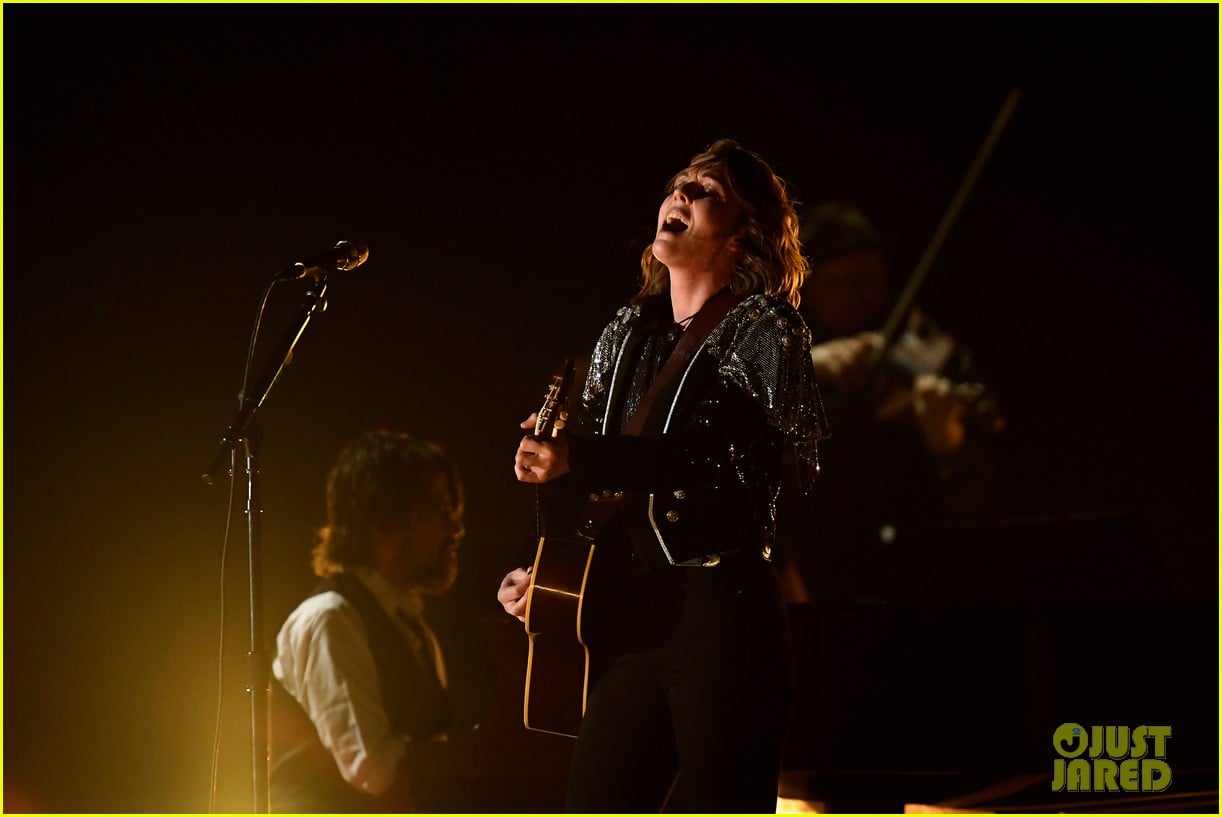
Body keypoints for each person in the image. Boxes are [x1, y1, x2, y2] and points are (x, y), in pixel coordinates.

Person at [497, 139, 828, 812]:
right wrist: (550, 568)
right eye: (678, 183)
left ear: (743, 234)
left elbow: (707, 452)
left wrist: (580, 457)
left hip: (722, 619)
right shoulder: (628, 331)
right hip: (630, 619)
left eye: (707, 191)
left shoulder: (765, 325)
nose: (681, 193)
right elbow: (592, 480)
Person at [778, 201, 998, 603]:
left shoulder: (937, 353)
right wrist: (808, 366)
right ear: (806, 291)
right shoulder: (789, 360)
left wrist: (949, 449)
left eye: (869, 277)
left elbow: (977, 506)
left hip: (922, 579)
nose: (859, 295)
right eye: (840, 283)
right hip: (816, 579)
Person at [270, 429, 465, 812]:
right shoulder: (330, 619)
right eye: (438, 512)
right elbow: (374, 772)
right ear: (385, 525)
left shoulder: (409, 624)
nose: (454, 529)